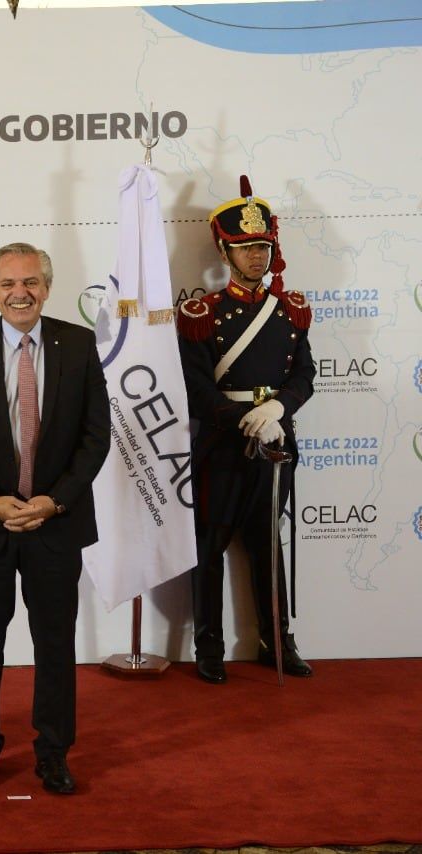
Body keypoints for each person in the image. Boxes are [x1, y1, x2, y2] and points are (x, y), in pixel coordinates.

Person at [0, 242, 109, 795]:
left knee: (55, 647)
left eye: (30, 282)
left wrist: (55, 500)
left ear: (47, 287)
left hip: (57, 524)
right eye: (7, 284)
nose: (19, 293)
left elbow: (95, 436)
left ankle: (53, 754)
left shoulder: (78, 345)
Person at [176, 175, 315, 685]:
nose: (256, 256)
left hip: (276, 441)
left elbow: (305, 375)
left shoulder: (291, 310)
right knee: (210, 545)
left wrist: (278, 410)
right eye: (244, 247)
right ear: (224, 250)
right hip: (222, 444)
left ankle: (276, 640)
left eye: (262, 246)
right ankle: (208, 645)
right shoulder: (201, 314)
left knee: (268, 544)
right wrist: (242, 419)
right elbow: (195, 388)